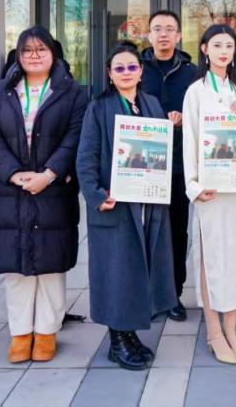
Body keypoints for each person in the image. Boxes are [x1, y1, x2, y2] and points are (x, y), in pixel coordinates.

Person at [0, 26, 88, 364]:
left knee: (51, 265)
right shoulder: (1, 92)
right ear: (19, 55)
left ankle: (46, 332)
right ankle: (20, 333)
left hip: (54, 191)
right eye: (27, 50)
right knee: (16, 267)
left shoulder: (71, 93)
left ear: (53, 53)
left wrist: (49, 174)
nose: (34, 55)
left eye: (41, 49)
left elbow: (75, 136)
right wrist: (13, 173)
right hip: (12, 192)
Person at [76, 42, 176, 371]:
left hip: (147, 201)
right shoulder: (98, 108)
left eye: (132, 67)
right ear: (109, 74)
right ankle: (117, 339)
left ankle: (129, 334)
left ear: (141, 71)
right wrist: (95, 195)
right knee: (117, 272)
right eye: (119, 68)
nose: (126, 73)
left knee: (139, 269)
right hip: (115, 205)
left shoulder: (151, 104)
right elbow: (86, 157)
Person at [182, 24, 236, 365]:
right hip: (210, 190)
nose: (223, 51)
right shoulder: (196, 91)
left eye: (229, 46)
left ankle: (232, 330)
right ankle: (214, 332)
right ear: (205, 49)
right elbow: (190, 139)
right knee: (211, 259)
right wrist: (194, 185)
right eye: (217, 45)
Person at [140, 10, 198, 321]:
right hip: (141, 163)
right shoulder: (136, 68)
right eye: (157, 29)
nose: (163, 34)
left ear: (178, 35)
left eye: (169, 29)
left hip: (178, 164)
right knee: (144, 230)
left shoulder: (192, 73)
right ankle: (147, 294)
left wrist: (184, 119)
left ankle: (173, 293)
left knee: (176, 231)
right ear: (148, 34)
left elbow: (203, 112)